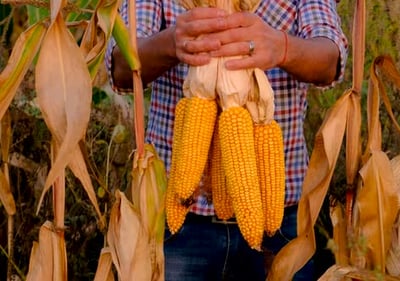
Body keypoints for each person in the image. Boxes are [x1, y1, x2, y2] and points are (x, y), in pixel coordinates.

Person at [105, 1, 348, 280]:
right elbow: (121, 69)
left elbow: (330, 59)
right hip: (177, 218)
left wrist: (281, 47)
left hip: (279, 219)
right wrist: (172, 42)